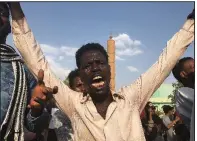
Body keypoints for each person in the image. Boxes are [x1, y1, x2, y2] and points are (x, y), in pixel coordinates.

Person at [9, 2, 194, 141]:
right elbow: (35, 60)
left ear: (109, 69)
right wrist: (15, 10)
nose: (95, 68)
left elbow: (165, 62)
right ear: (81, 75)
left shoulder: (131, 98)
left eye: (100, 63)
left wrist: (192, 22)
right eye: (87, 66)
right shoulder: (74, 105)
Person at [0, 3, 52, 141]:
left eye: (2, 12)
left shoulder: (22, 72)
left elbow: (34, 126)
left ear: (10, 26)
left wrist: (37, 110)